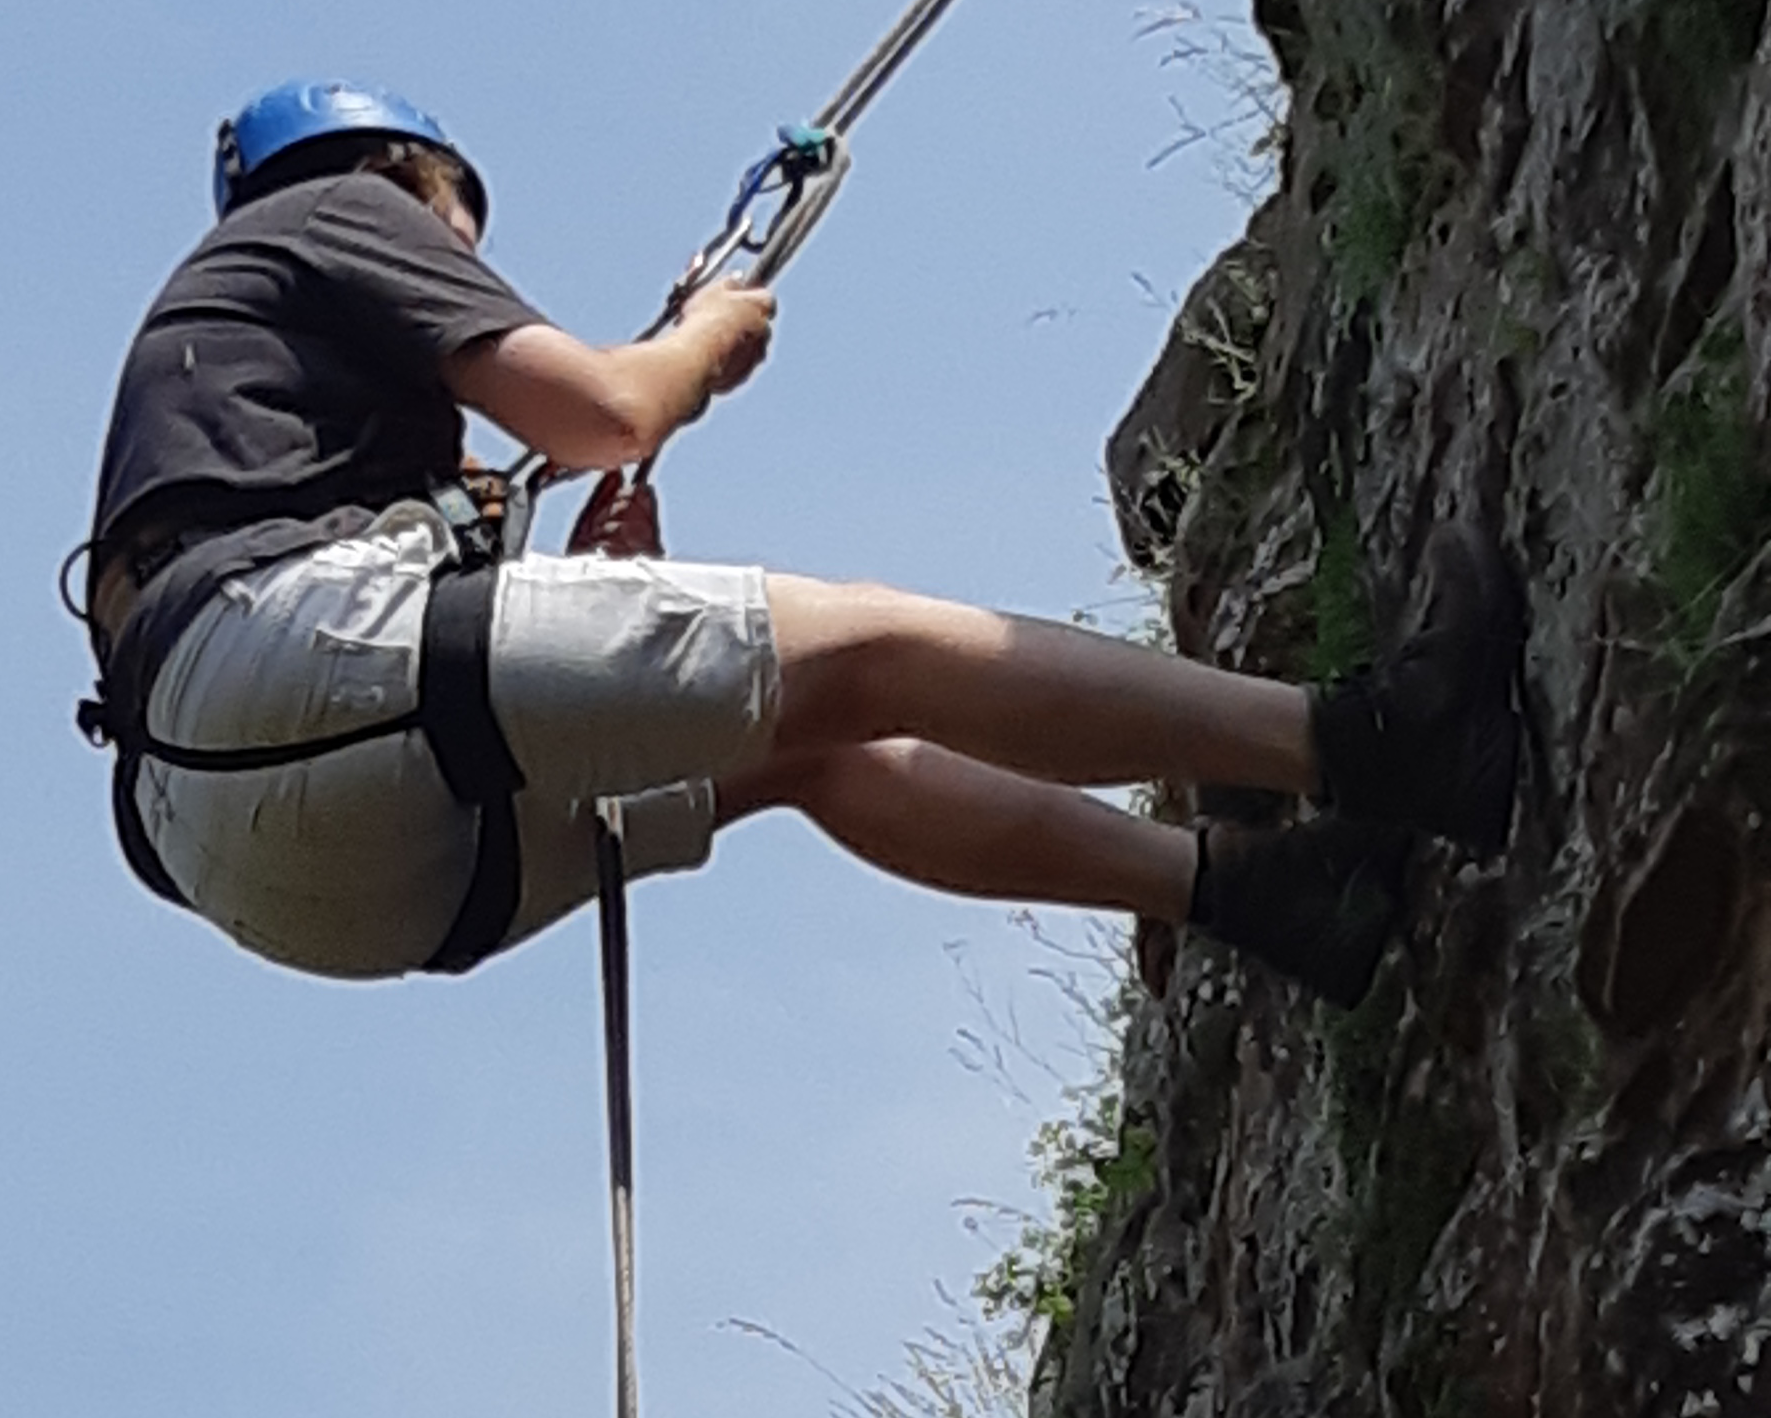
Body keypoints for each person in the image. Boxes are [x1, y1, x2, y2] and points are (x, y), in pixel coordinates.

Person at [74, 78, 1521, 1000]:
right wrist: (699, 347)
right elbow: (602, 412)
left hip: (302, 873)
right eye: (457, 226)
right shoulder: (336, 208)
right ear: (408, 176)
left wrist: (600, 587)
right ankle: (1380, 743)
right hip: (287, 676)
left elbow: (476, 661)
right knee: (869, 645)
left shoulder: (250, 417)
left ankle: (1263, 898)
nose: (458, 258)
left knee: (810, 747)